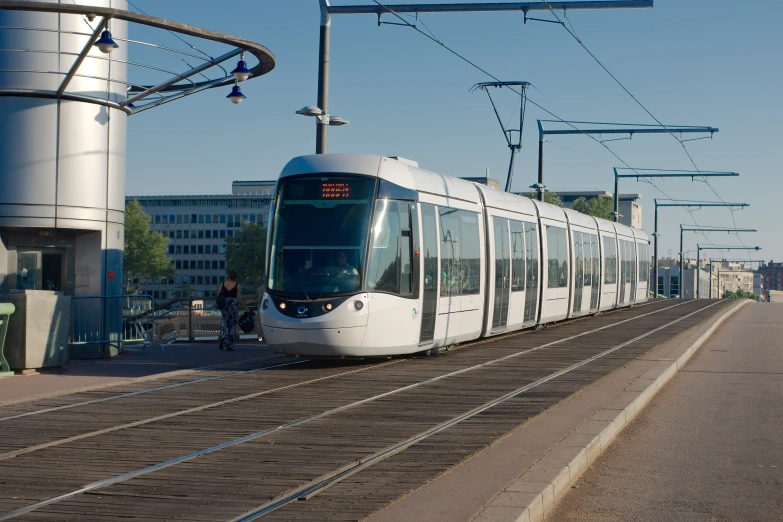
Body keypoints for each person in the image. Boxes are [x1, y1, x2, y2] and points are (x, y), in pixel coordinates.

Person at [217, 270, 249, 351]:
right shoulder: (237, 285)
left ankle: (222, 336)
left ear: (229, 276)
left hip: (224, 305)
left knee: (224, 322)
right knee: (232, 323)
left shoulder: (223, 284)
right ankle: (229, 344)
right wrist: (245, 308)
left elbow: (218, 295)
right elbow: (238, 299)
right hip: (233, 306)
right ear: (235, 277)